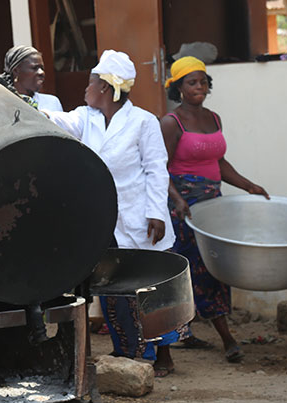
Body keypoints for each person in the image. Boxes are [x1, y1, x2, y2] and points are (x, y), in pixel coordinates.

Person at [44, 49, 180, 376]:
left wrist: (157, 212)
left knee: (152, 287)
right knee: (112, 285)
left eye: (90, 81)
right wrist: (28, 105)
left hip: (141, 215)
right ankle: (126, 351)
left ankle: (163, 354)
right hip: (105, 219)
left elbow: (156, 171)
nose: (85, 87)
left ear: (105, 86)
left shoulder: (143, 122)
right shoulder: (84, 118)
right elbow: (55, 120)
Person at [160, 56, 269, 363]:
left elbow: (219, 163)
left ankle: (187, 331)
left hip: (214, 202)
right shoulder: (171, 122)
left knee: (214, 266)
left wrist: (249, 186)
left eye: (203, 81)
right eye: (192, 82)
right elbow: (159, 167)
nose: (199, 87)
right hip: (186, 208)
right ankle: (227, 339)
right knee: (197, 268)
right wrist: (178, 199)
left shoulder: (214, 118)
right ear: (179, 87)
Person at [4, 45, 63, 112]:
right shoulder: (3, 103)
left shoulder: (52, 102)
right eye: (35, 68)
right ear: (16, 71)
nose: (41, 72)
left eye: (42, 68)